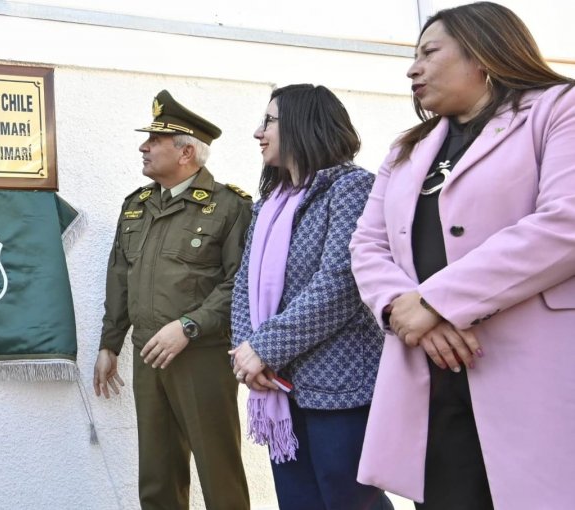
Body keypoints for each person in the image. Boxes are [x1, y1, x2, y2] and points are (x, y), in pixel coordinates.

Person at [349, 3, 575, 509]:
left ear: (484, 53)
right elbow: (366, 244)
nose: (413, 67)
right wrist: (404, 308)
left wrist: (435, 303)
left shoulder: (561, 108)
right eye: (414, 56)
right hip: (432, 372)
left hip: (532, 371)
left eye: (429, 52)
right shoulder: (407, 149)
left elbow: (566, 223)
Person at [229, 84, 391, 510]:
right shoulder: (269, 204)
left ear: (301, 124)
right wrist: (248, 354)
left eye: (268, 121)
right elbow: (244, 284)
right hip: (279, 383)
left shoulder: (353, 188)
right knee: (297, 502)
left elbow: (340, 284)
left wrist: (263, 348)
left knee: (351, 501)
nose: (257, 132)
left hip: (341, 387)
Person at [93, 90, 252, 509]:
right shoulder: (136, 207)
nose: (143, 147)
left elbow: (241, 283)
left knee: (219, 471)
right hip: (148, 353)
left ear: (185, 152)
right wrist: (110, 343)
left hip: (201, 355)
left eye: (154, 141)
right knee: (157, 474)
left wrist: (189, 326)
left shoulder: (228, 207)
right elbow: (119, 279)